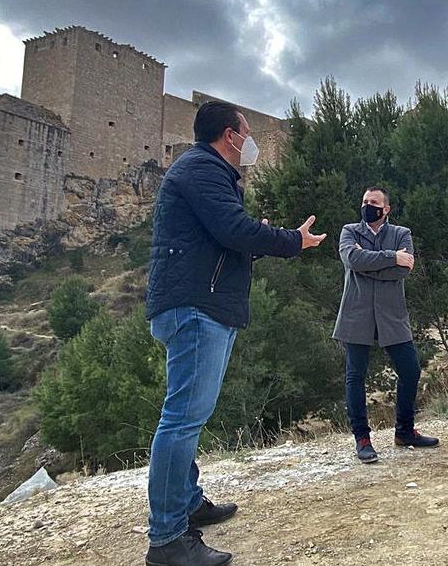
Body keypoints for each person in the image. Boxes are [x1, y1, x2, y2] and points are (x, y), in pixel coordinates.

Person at [143, 101, 326, 566]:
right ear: (231, 135)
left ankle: (187, 504)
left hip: (203, 305)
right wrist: (291, 241)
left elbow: (227, 239)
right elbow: (233, 230)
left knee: (188, 416)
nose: (250, 142)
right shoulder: (202, 169)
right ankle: (166, 540)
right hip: (196, 309)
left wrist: (260, 237)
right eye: (246, 132)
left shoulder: (207, 173)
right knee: (182, 419)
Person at [334, 187, 439, 463]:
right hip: (357, 313)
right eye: (365, 201)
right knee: (355, 376)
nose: (369, 206)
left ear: (386, 209)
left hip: (392, 315)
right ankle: (362, 439)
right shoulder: (349, 231)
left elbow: (404, 270)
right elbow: (353, 260)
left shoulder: (402, 234)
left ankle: (404, 430)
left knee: (411, 370)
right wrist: (392, 257)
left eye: (375, 202)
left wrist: (369, 264)